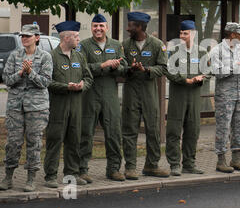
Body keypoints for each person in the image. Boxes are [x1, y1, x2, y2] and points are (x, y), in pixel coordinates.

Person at [0, 24, 52, 192]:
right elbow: (6, 80)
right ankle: (8, 177)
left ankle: (31, 179)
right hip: (15, 106)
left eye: (28, 36)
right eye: (22, 36)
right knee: (13, 143)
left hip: (36, 107)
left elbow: (45, 82)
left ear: (37, 38)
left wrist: (31, 73)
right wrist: (21, 73)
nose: (24, 39)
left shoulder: (45, 57)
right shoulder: (15, 55)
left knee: (34, 143)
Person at [78, 14, 127, 182]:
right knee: (86, 132)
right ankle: (82, 169)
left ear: (107, 28)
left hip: (110, 94)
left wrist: (116, 67)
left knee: (113, 132)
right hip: (90, 94)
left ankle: (113, 169)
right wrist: (102, 65)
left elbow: (124, 66)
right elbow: (82, 68)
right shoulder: (83, 45)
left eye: (101, 26)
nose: (98, 29)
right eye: (95, 26)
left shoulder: (116, 45)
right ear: (91, 27)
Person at [44, 21, 93, 188]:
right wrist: (66, 87)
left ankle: (71, 174)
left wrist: (82, 86)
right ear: (66, 37)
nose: (79, 39)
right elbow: (47, 82)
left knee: (74, 140)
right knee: (55, 140)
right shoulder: (51, 56)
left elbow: (88, 78)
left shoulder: (79, 56)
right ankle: (50, 176)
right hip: (58, 107)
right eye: (76, 36)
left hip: (76, 106)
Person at [121, 11, 169, 178]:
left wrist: (147, 69)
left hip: (149, 92)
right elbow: (121, 68)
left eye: (131, 25)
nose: (128, 28)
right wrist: (129, 69)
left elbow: (163, 68)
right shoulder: (125, 45)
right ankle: (130, 167)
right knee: (129, 129)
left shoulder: (157, 45)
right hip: (131, 92)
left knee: (153, 129)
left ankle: (152, 165)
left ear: (140, 27)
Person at [165, 20, 210, 176]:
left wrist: (201, 78)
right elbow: (168, 71)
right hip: (178, 95)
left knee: (193, 131)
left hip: (194, 96)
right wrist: (185, 79)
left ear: (194, 34)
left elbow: (208, 72)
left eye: (186, 33)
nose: (182, 36)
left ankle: (189, 164)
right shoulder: (173, 51)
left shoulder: (202, 52)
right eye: (181, 33)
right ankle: (174, 164)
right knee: (174, 131)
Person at [210, 22, 240, 173]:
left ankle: (236, 159)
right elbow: (218, 72)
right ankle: (221, 160)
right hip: (225, 96)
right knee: (223, 127)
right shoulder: (217, 51)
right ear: (232, 34)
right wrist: (237, 65)